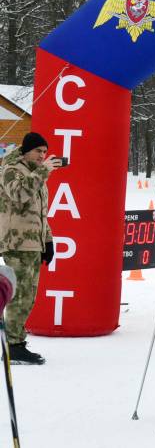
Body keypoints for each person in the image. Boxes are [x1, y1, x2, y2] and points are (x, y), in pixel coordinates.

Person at [0, 132, 61, 365]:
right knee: (19, 297)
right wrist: (43, 170)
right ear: (26, 150)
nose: (42, 155)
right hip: (16, 243)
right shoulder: (11, 170)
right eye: (38, 151)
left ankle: (16, 342)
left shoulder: (35, 174)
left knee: (29, 296)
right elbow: (19, 194)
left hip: (32, 243)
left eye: (45, 152)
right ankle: (13, 346)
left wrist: (48, 240)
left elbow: (41, 213)